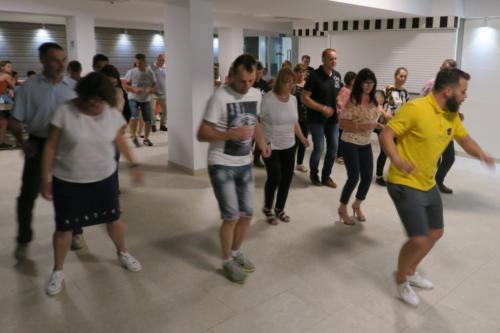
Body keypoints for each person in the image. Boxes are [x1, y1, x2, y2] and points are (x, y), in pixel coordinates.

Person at [380, 68, 495, 307]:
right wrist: (398, 160)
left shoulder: (451, 114)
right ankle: (401, 279)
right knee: (419, 239)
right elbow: (386, 134)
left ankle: (410, 270)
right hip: (403, 181)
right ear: (447, 91)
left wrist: (482, 154)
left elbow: (465, 140)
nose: (465, 96)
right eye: (463, 91)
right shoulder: (416, 109)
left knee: (435, 233)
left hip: (427, 182)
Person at [40, 72, 143, 296]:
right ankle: (58, 269)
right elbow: (50, 146)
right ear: (83, 96)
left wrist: (134, 165)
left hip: (104, 178)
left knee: (114, 220)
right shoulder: (65, 112)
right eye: (91, 102)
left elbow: (119, 140)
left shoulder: (111, 113)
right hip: (68, 180)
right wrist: (44, 177)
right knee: (64, 228)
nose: (97, 107)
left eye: (101, 102)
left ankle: (122, 252)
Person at [197, 54, 271, 284]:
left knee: (247, 214)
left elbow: (254, 122)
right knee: (231, 216)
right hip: (221, 164)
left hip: (244, 163)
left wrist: (261, 142)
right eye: (242, 81)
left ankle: (237, 251)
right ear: (231, 75)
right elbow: (202, 134)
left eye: (251, 80)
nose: (247, 85)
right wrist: (231, 134)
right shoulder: (219, 98)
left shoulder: (256, 93)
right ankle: (226, 260)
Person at [9, 43, 86, 259]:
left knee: (72, 191)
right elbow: (15, 122)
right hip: (39, 144)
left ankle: (76, 231)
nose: (61, 64)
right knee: (27, 195)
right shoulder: (29, 88)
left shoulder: (73, 87)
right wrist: (24, 144)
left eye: (63, 59)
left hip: (68, 145)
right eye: (55, 59)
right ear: (42, 60)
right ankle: (23, 237)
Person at [260, 68, 309, 225]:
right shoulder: (268, 99)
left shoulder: (293, 99)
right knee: (275, 177)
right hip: (271, 144)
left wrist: (302, 138)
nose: (290, 85)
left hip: (289, 144)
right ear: (279, 81)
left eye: (292, 82)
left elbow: (294, 122)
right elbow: (258, 122)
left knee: (287, 179)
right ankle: (268, 207)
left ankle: (279, 209)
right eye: (287, 81)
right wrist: (262, 143)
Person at [337, 69, 383, 225]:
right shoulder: (352, 99)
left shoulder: (375, 100)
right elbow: (342, 124)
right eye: (365, 82)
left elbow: (383, 115)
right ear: (359, 83)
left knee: (367, 177)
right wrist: (365, 126)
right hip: (349, 141)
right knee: (354, 177)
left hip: (365, 143)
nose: (368, 86)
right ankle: (342, 209)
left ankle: (357, 204)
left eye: (371, 82)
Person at [302, 48, 342, 188]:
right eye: (331, 59)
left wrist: (338, 101)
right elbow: (304, 98)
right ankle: (314, 174)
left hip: (333, 119)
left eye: (336, 58)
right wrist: (322, 108)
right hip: (316, 119)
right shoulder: (314, 76)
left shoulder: (337, 76)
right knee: (319, 148)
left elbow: (336, 94)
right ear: (323, 59)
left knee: (333, 148)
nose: (334, 61)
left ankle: (326, 177)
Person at [421, 59, 459, 194]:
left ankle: (438, 181)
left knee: (449, 157)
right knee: (433, 158)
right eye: (446, 69)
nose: (448, 73)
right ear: (440, 67)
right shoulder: (432, 84)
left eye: (451, 71)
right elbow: (422, 102)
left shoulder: (454, 87)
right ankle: (428, 184)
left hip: (447, 127)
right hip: (433, 126)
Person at [375, 67, 409, 186]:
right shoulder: (387, 90)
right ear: (395, 76)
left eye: (405, 76)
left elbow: (406, 109)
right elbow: (377, 105)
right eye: (401, 76)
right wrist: (385, 114)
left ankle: (394, 175)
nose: (403, 78)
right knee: (385, 152)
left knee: (396, 151)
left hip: (398, 127)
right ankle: (379, 176)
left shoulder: (405, 93)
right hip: (384, 125)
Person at [124, 53, 156, 147]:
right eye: (137, 63)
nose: (138, 65)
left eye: (140, 63)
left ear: (145, 62)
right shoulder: (131, 72)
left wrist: (151, 89)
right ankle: (134, 137)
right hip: (133, 98)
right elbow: (125, 85)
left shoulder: (150, 72)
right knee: (134, 117)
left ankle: (146, 139)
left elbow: (154, 84)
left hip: (145, 99)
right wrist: (134, 89)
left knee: (148, 120)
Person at [336, 71, 357, 165]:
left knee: (345, 137)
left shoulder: (351, 91)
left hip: (348, 118)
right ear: (350, 80)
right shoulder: (345, 90)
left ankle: (343, 155)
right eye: (354, 79)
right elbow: (341, 105)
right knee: (341, 137)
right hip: (343, 118)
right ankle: (339, 155)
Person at [252, 61, 271, 168]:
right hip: (251, 116)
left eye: (260, 73)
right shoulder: (249, 84)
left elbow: (268, 98)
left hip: (262, 116)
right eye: (256, 73)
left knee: (260, 138)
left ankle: (256, 158)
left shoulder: (264, 84)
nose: (258, 75)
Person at [293, 63, 309, 173]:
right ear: (295, 72)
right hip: (294, 118)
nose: (302, 74)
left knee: (304, 141)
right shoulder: (292, 85)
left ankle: (299, 163)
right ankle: (289, 164)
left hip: (306, 117)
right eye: (299, 71)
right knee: (294, 142)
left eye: (303, 72)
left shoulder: (308, 85)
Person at [0, 60, 15, 149]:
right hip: (1, 99)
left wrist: (8, 90)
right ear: (2, 67)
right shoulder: (6, 75)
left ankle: (1, 142)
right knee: (4, 121)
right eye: (8, 66)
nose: (10, 68)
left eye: (11, 66)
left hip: (2, 98)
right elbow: (13, 85)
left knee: (3, 122)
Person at [151, 53, 167, 132]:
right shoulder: (151, 67)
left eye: (163, 60)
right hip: (152, 93)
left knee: (165, 110)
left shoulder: (167, 67)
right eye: (160, 60)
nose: (162, 61)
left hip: (164, 92)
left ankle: (163, 125)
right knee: (152, 110)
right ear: (157, 59)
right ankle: (153, 125)